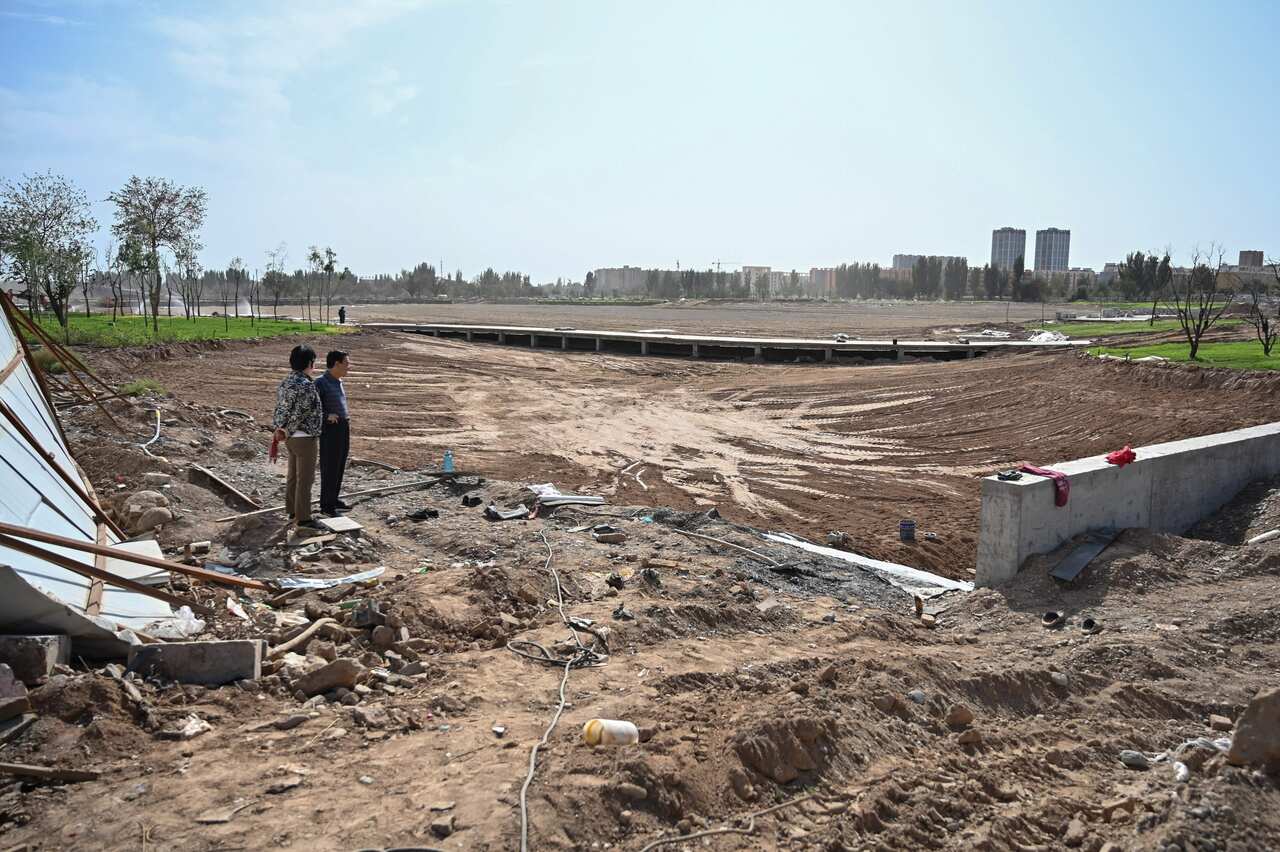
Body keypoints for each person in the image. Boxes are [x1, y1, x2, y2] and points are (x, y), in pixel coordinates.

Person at [272, 345, 323, 531]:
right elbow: (300, 413)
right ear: (310, 363)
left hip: (292, 438)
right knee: (305, 479)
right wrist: (287, 430)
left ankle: (293, 510)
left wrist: (280, 429)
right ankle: (303, 518)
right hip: (304, 436)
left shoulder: (286, 382)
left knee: (293, 476)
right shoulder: (306, 385)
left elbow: (280, 408)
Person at [314, 350, 352, 516]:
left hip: (342, 427)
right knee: (329, 467)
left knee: (339, 465)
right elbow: (313, 410)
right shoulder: (321, 383)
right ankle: (326, 506)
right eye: (346, 363)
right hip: (330, 430)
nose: (348, 367)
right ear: (336, 363)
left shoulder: (338, 381)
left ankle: (334, 499)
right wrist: (326, 417)